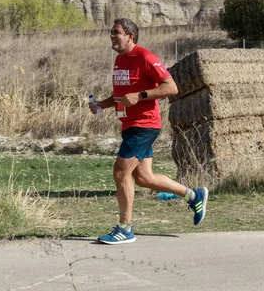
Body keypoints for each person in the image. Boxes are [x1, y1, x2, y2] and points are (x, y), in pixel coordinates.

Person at [89, 18, 208, 245]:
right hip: (130, 124)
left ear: (130, 36)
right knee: (144, 178)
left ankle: (125, 228)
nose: (112, 36)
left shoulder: (146, 57)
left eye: (116, 32)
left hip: (144, 125)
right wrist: (101, 105)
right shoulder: (120, 61)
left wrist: (140, 95)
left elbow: (171, 87)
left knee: (121, 172)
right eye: (111, 32)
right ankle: (194, 195)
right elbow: (122, 96)